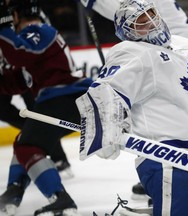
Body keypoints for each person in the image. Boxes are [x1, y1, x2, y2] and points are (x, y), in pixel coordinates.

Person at [76, 0, 188, 215]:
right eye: (140, 23)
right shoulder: (134, 52)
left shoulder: (187, 46)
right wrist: (108, 127)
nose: (151, 24)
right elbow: (106, 91)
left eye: (151, 15)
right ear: (128, 33)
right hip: (173, 165)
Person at [0, 0, 93, 215]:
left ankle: (61, 199)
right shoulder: (34, 51)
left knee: (28, 146)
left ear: (16, 16)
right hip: (64, 101)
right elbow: (14, 82)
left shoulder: (39, 30)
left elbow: (17, 52)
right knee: (25, 141)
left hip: (67, 98)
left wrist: (2, 25)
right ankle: (13, 192)